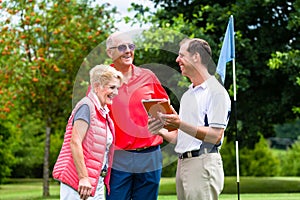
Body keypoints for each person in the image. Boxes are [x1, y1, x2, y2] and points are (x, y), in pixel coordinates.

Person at [148, 38, 231, 200]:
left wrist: (179, 123)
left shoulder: (216, 92)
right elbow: (181, 138)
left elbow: (215, 136)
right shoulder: (187, 95)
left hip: (203, 164)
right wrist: (161, 130)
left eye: (181, 55)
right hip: (183, 164)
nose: (177, 60)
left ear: (196, 57)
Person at [105, 31, 169, 200]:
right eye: (121, 47)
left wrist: (163, 124)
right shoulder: (101, 80)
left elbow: (166, 111)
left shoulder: (148, 76)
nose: (128, 51)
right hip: (118, 156)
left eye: (131, 46)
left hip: (150, 154)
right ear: (109, 53)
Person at [52, 64, 123, 200]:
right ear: (97, 87)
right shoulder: (86, 107)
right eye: (112, 87)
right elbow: (75, 142)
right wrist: (83, 178)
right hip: (78, 182)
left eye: (117, 88)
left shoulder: (102, 112)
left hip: (95, 182)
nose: (116, 92)